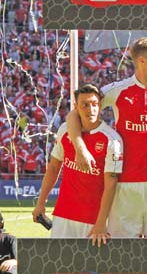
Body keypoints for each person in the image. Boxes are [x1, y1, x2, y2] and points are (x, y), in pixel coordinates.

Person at [66, 37, 147, 238]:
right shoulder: (118, 90)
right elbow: (74, 113)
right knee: (123, 250)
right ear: (142, 61)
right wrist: (80, 148)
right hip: (125, 185)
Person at [33, 84, 123, 245]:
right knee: (59, 267)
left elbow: (111, 185)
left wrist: (101, 222)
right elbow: (53, 168)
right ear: (76, 107)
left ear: (100, 105)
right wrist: (40, 204)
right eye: (85, 105)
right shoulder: (65, 130)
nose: (91, 109)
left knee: (92, 270)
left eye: (95, 104)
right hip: (63, 214)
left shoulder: (112, 140)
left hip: (93, 218)